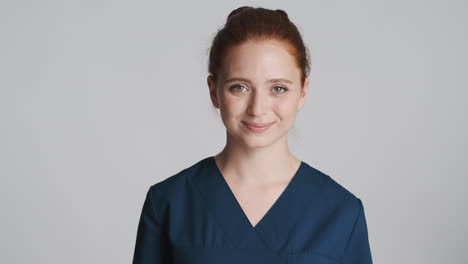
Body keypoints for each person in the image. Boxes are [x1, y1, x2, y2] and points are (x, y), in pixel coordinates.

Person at [132, 6, 373, 264]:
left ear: (303, 91)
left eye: (278, 88)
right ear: (214, 91)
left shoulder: (340, 212)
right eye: (240, 87)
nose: (258, 108)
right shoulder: (170, 204)